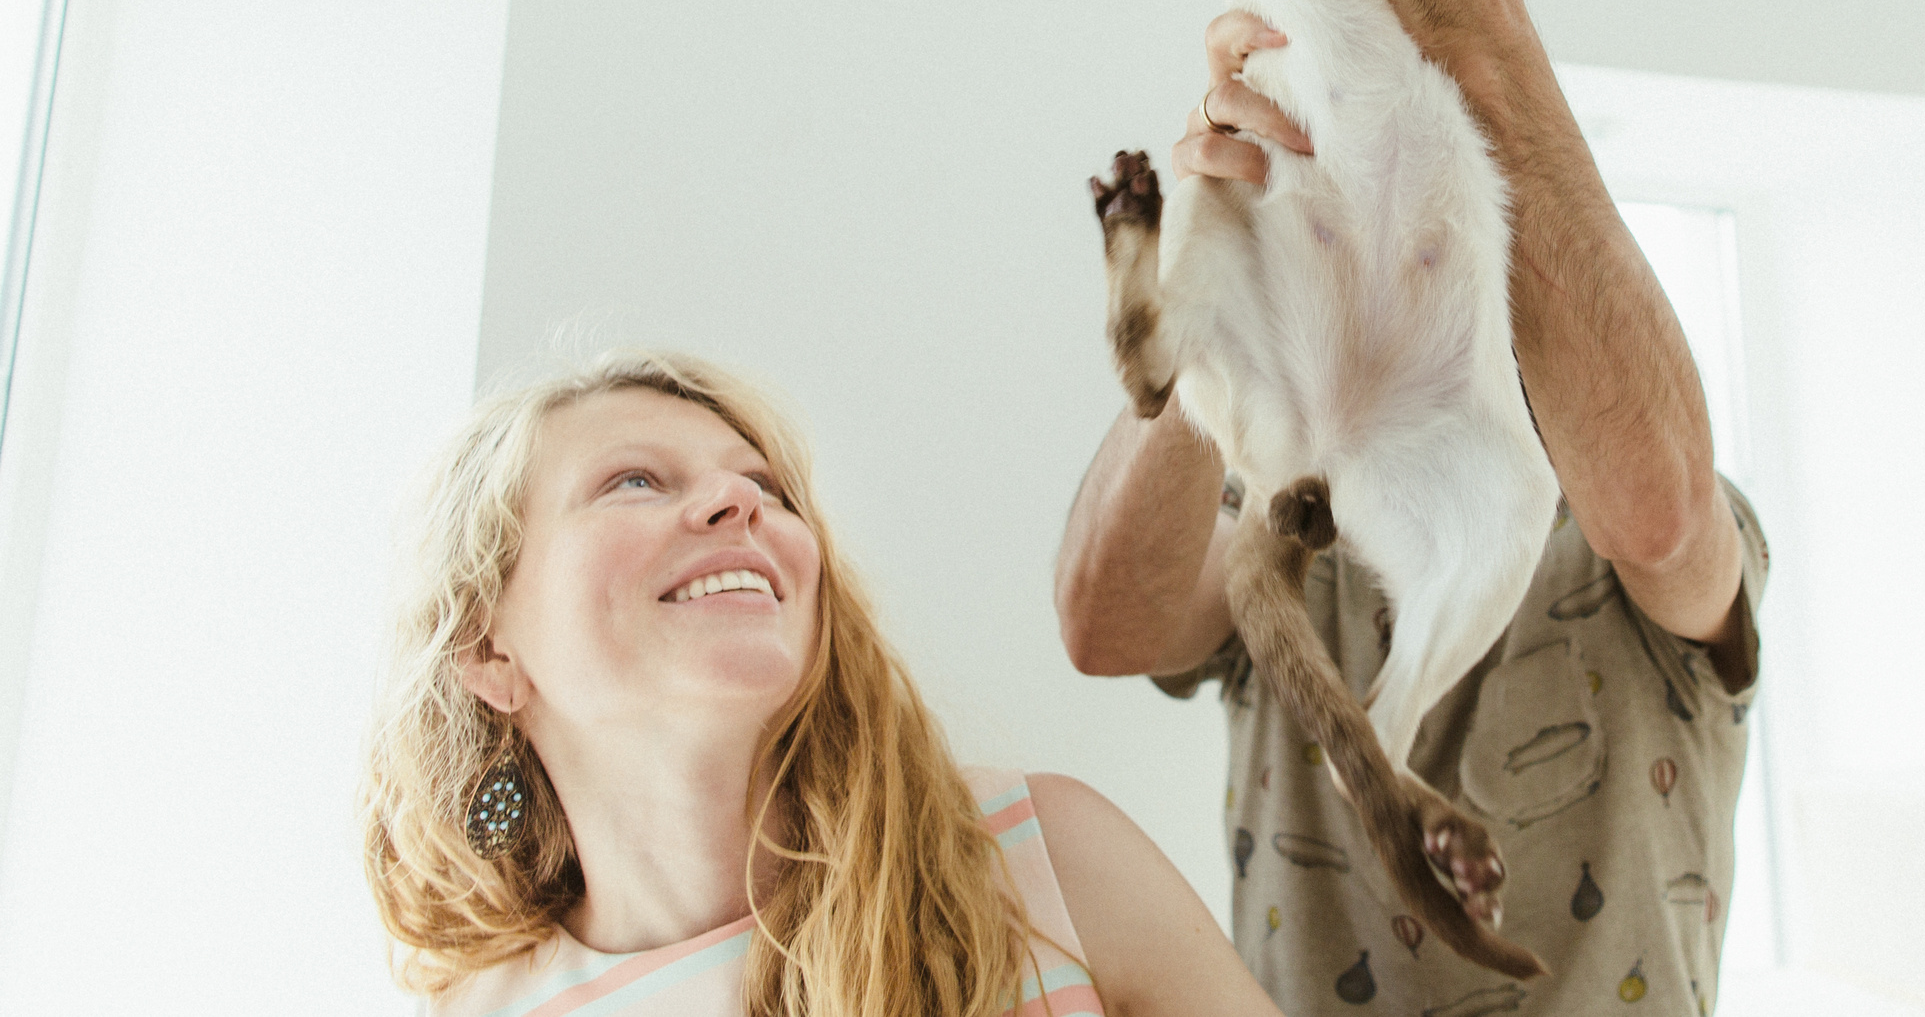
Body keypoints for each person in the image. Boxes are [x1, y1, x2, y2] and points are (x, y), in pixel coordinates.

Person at [1054, 0, 1773, 1014]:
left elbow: (1662, 508)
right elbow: (1104, 625)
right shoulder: (1287, 495)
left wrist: (1481, 40)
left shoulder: (1654, 529)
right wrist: (1229, 243)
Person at [362, 349, 1281, 1017]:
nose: (742, 504)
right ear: (488, 650)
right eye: (633, 480)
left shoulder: (1044, 859)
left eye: (767, 485)